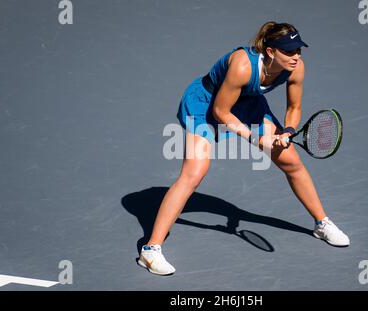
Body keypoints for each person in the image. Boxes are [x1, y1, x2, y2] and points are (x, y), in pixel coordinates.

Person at [138, 21, 350, 276]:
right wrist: (254, 138)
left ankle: (321, 224)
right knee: (194, 172)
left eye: (298, 51)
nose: (296, 57)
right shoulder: (241, 66)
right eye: (289, 51)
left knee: (291, 161)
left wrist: (288, 132)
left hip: (248, 105)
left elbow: (293, 109)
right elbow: (220, 111)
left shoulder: (296, 68)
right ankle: (150, 250)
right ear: (271, 51)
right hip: (205, 104)